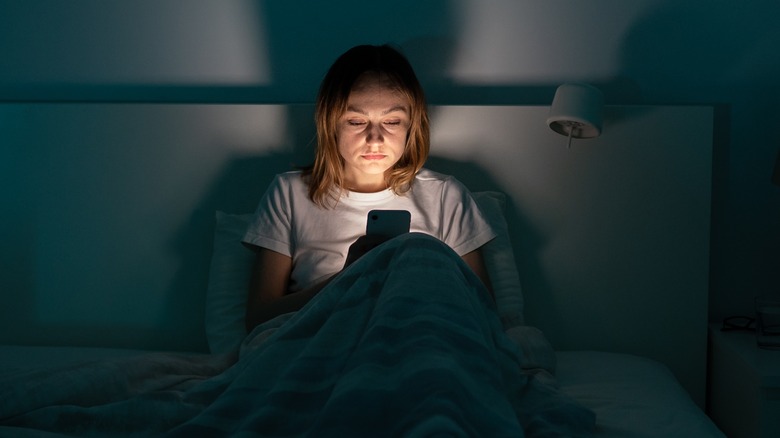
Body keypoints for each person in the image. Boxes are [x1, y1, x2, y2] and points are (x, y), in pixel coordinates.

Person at [242, 44, 496, 332]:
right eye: (356, 121)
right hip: (326, 340)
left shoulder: (445, 197)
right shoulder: (289, 194)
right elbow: (258, 321)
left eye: (391, 121)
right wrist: (349, 278)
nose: (374, 139)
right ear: (331, 124)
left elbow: (483, 313)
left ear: (411, 125)